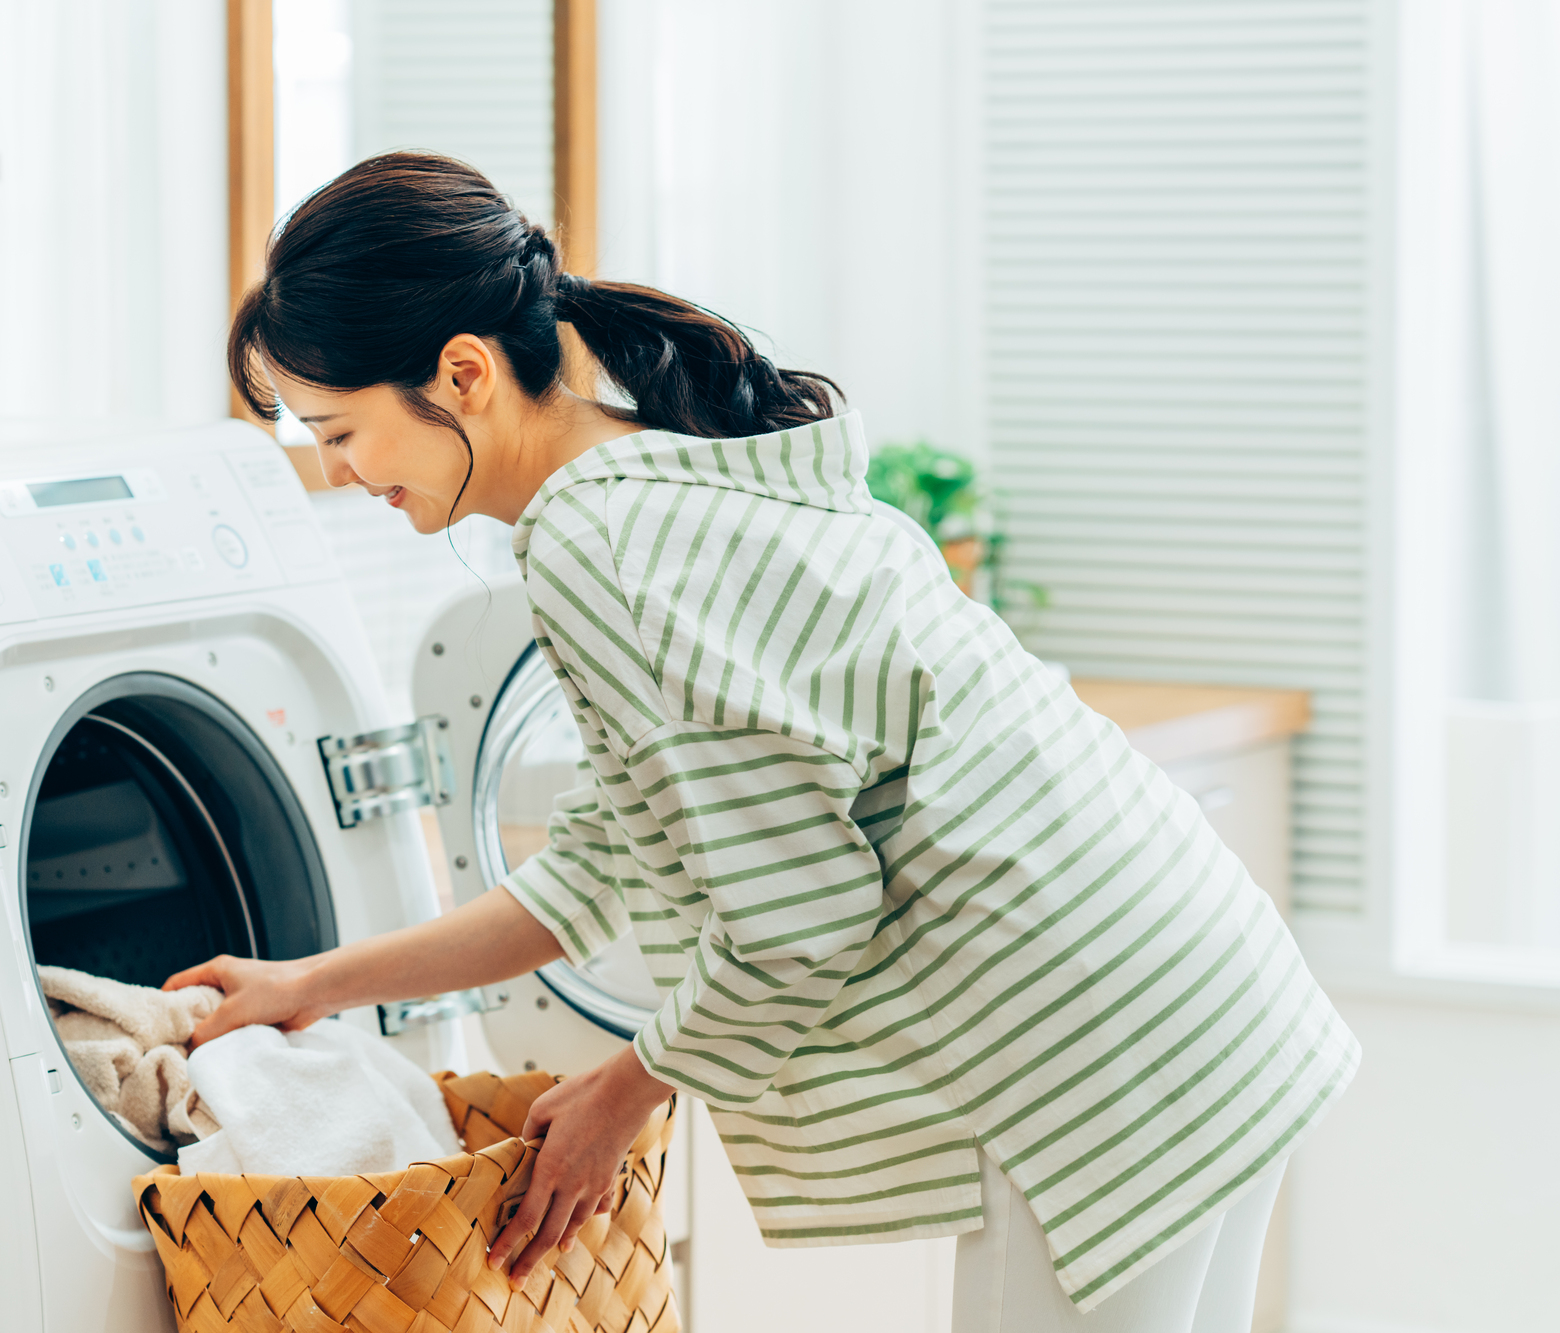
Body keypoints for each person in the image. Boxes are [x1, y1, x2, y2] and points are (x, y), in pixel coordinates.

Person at [162, 152, 1359, 1332]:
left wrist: (619, 1094)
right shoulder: (659, 479)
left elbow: (804, 914)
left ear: (462, 373)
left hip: (1083, 1051)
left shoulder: (599, 543)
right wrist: (312, 983)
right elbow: (601, 863)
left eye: (337, 428)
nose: (333, 468)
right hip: (1189, 993)